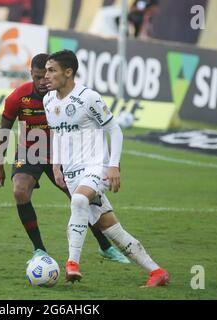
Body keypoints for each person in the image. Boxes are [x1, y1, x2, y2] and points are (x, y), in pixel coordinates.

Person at [43, 50, 169, 287]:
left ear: (68, 72)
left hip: (95, 165)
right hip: (70, 172)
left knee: (79, 201)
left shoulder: (88, 97)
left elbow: (115, 130)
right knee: (111, 228)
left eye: (52, 70)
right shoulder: (48, 100)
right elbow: (57, 134)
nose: (46, 76)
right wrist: (55, 165)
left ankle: (72, 264)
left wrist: (113, 166)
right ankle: (157, 272)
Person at [0, 53, 129, 264]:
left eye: (45, 75)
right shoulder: (17, 97)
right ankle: (39, 250)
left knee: (82, 200)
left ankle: (105, 246)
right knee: (19, 190)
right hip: (30, 152)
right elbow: (4, 130)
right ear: (31, 74)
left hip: (64, 155)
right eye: (37, 77)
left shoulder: (62, 96)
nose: (42, 81)